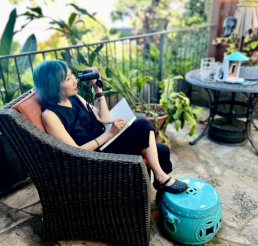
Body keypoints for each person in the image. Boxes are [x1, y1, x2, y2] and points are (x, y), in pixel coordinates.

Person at [33, 60, 188, 203]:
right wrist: (109, 134)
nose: (75, 80)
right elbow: (74, 152)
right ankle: (161, 178)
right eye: (68, 79)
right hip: (94, 157)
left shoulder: (73, 98)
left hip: (107, 142)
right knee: (142, 124)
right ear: (53, 85)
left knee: (162, 150)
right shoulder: (50, 115)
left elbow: (104, 118)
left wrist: (97, 89)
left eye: (72, 75)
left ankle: (161, 186)